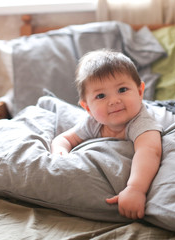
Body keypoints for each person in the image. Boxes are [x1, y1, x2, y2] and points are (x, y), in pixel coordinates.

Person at [51, 49, 162, 220]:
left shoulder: (141, 121)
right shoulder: (93, 122)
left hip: (169, 110)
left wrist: (135, 189)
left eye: (122, 89)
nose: (114, 101)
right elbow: (64, 138)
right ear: (87, 108)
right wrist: (60, 152)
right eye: (101, 95)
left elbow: (149, 151)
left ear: (140, 92)